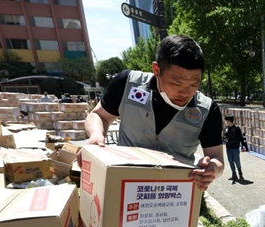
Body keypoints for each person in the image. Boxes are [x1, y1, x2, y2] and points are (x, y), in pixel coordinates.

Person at [84, 35, 224, 191]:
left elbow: (217, 158)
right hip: (124, 186)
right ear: (156, 70)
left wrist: (212, 169)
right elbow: (99, 115)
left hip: (175, 194)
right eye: (176, 83)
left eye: (194, 84)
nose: (185, 92)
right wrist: (96, 135)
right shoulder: (127, 84)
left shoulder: (207, 109)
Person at [224, 115, 244, 181]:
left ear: (229, 121)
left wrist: (243, 146)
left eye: (226, 120)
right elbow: (226, 136)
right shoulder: (227, 128)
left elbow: (241, 138)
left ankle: (240, 171)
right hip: (228, 147)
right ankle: (234, 174)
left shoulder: (236, 128)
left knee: (237, 160)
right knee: (230, 161)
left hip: (235, 147)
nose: (226, 122)